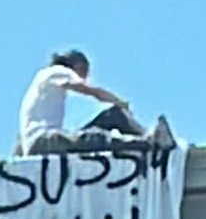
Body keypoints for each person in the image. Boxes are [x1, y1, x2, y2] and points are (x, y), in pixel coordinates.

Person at [16, 50, 145, 157]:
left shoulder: (45, 81)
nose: (85, 77)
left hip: (39, 143)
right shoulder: (57, 71)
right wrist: (120, 103)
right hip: (43, 141)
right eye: (85, 71)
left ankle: (138, 141)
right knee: (109, 121)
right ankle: (146, 140)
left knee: (105, 122)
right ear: (77, 65)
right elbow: (92, 91)